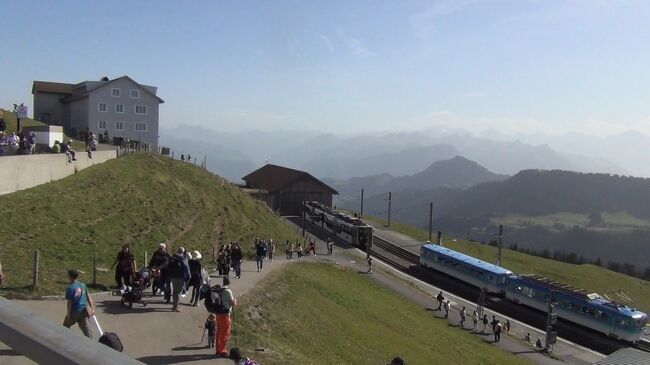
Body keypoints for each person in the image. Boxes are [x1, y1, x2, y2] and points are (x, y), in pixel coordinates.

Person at [63, 269, 95, 338]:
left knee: (65, 325)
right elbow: (89, 297)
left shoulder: (70, 288)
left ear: (70, 276)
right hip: (84, 310)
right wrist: (92, 309)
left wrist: (68, 315)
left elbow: (69, 303)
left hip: (75, 311)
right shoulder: (83, 285)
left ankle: (65, 338)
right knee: (85, 327)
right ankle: (90, 341)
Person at [215, 276, 237, 357]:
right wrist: (235, 301)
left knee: (219, 332)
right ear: (229, 282)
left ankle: (218, 349)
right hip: (225, 315)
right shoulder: (228, 291)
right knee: (225, 333)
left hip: (218, 314)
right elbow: (232, 303)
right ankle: (222, 350)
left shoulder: (219, 290)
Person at [168, 247, 191, 312]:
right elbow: (186, 267)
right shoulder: (183, 258)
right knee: (178, 292)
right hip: (180, 277)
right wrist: (189, 276)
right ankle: (175, 307)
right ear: (183, 252)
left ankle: (174, 305)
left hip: (173, 276)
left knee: (175, 291)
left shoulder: (172, 257)